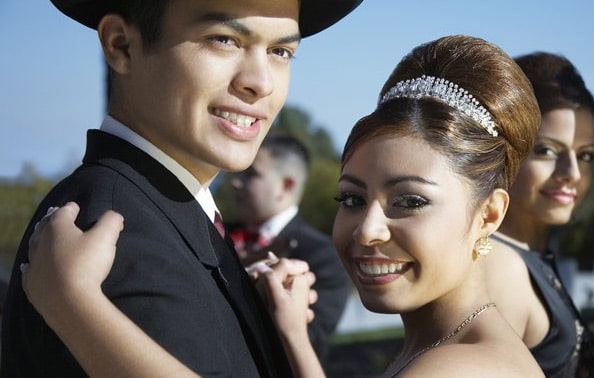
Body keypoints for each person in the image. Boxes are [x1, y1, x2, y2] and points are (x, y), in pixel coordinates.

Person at [20, 34, 548, 377]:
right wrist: (294, 336)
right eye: (351, 198)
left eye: (409, 201)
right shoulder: (443, 344)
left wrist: (75, 304)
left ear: (490, 215)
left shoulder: (459, 368)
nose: (367, 230)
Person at [1, 0, 361, 377]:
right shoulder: (114, 237)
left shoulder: (161, 214)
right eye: (223, 39)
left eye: (280, 51)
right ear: (121, 45)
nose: (261, 82)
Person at [483, 52, 594, 378]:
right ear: (504, 151)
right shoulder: (499, 266)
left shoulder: (528, 254)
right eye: (547, 151)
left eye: (585, 155)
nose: (572, 173)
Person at [227, 133, 351, 363]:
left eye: (251, 174)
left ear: (286, 186)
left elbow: (310, 341)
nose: (236, 181)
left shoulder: (323, 257)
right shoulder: (215, 231)